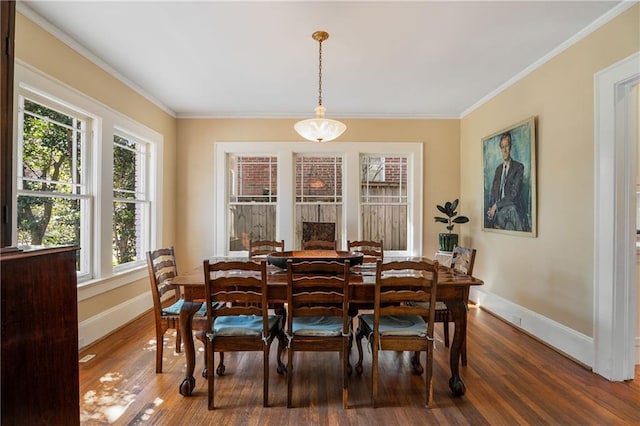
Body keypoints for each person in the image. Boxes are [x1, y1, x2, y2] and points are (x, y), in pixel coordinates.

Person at [486, 132, 530, 231]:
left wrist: (496, 206)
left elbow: (514, 195)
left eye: (507, 146)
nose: (505, 150)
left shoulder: (518, 167)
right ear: (500, 149)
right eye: (502, 147)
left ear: (510, 147)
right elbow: (493, 194)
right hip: (498, 213)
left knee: (511, 216)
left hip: (510, 209)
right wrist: (491, 210)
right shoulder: (498, 170)